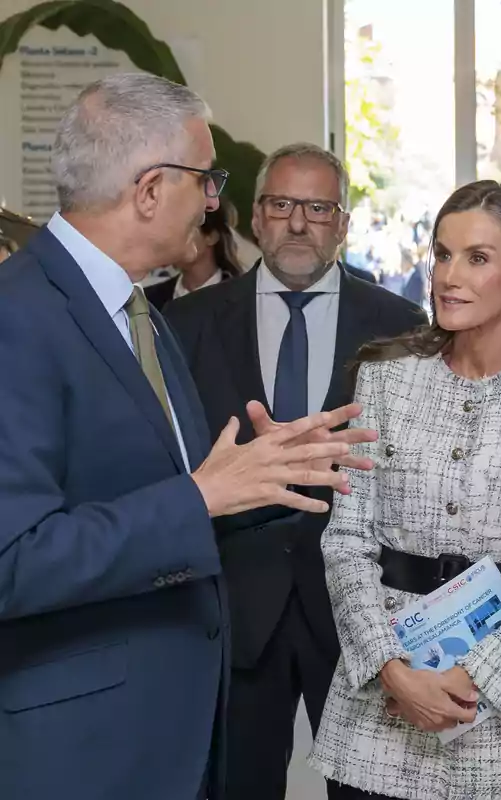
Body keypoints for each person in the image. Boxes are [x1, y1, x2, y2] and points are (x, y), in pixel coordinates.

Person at [0, 72, 372, 800]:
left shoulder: (142, 317)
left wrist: (262, 474)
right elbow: (13, 559)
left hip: (169, 733)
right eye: (205, 179)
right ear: (148, 190)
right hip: (84, 751)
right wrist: (201, 496)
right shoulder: (18, 320)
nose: (213, 201)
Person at [309, 180, 501, 799]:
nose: (450, 275)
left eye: (477, 258)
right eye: (443, 254)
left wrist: (473, 680)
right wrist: (394, 672)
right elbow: (346, 543)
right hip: (379, 715)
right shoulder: (386, 378)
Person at [165, 143, 427, 800]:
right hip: (237, 603)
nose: (299, 223)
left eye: (318, 207)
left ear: (342, 222)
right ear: (255, 217)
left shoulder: (401, 328)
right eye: (282, 205)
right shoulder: (188, 322)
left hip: (357, 609)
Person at [145, 199, 242, 310]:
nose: (173, 237)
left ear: (211, 237)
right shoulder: (150, 301)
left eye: (186, 227)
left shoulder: (242, 298)